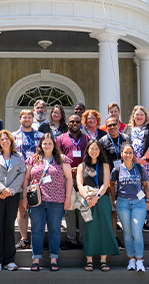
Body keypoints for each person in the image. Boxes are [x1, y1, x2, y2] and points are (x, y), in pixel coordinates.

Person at [23, 133, 72, 272]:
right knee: (36, 230)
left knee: (55, 230)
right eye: (45, 143)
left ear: (54, 145)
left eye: (50, 143)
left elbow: (69, 179)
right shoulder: (33, 159)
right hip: (37, 201)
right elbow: (26, 179)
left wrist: (68, 198)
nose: (47, 146)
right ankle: (36, 259)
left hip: (56, 200)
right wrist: (25, 198)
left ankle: (53, 259)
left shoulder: (62, 159)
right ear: (41, 145)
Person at [76, 139, 119, 271]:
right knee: (89, 229)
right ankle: (89, 260)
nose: (94, 151)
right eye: (91, 148)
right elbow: (79, 184)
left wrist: (97, 197)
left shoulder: (105, 165)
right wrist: (88, 197)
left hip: (103, 199)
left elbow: (106, 184)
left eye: (96, 149)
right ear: (87, 150)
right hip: (87, 200)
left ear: (100, 151)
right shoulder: (81, 166)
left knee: (104, 228)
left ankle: (103, 260)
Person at [0, 130, 25, 272]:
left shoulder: (19, 156)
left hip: (13, 195)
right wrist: (2, 189)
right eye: (2, 139)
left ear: (11, 141)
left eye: (7, 139)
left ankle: (9, 260)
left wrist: (10, 191)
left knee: (9, 226)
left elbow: (22, 174)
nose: (5, 141)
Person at [111, 143, 149, 272]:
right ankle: (131, 259)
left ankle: (139, 260)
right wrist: (114, 198)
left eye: (130, 152)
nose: (128, 155)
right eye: (125, 152)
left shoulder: (139, 168)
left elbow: (146, 184)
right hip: (123, 203)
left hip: (138, 203)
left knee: (137, 231)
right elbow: (112, 184)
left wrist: (147, 198)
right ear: (121, 154)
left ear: (133, 154)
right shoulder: (117, 169)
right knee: (127, 233)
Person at [56, 114, 91, 249]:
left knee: (83, 206)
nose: (75, 123)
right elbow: (57, 157)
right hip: (67, 178)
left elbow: (91, 156)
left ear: (81, 123)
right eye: (72, 121)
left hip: (83, 177)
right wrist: (68, 169)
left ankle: (82, 240)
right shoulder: (61, 138)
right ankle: (71, 239)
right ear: (68, 123)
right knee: (69, 208)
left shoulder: (87, 138)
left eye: (77, 121)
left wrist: (81, 169)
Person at [12, 109, 44, 250]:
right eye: (24, 117)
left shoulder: (41, 136)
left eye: (29, 117)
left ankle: (39, 238)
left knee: (38, 207)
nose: (27, 119)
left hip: (38, 176)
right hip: (20, 176)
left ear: (33, 119)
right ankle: (24, 238)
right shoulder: (13, 136)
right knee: (22, 206)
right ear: (20, 119)